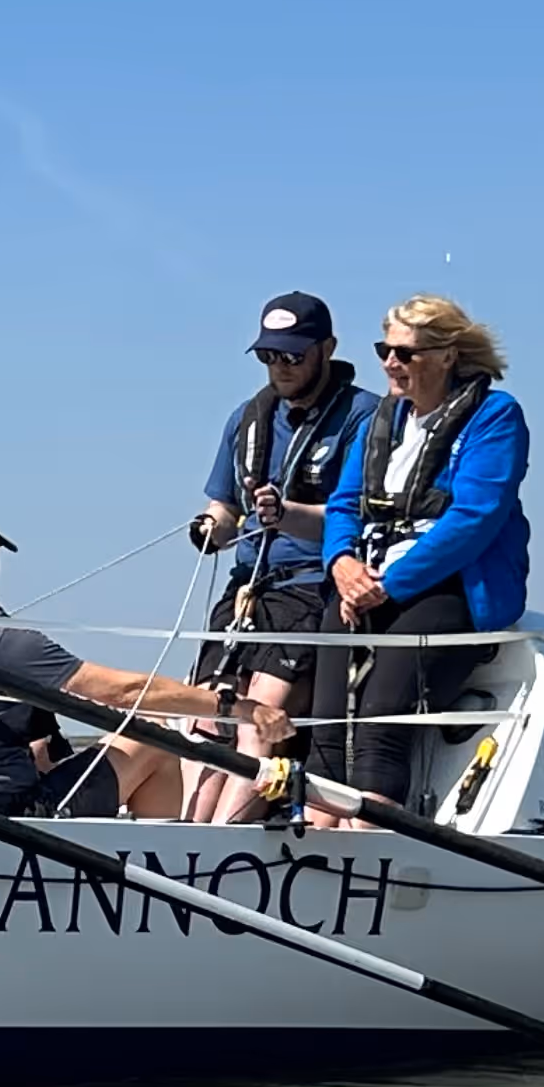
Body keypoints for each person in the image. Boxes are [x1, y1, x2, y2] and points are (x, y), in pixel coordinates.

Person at [0, 499, 224, 820]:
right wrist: (229, 708)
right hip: (7, 819)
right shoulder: (0, 638)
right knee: (155, 739)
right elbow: (124, 691)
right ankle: (163, 869)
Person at [316, 294, 531, 807]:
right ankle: (318, 846)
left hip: (446, 591)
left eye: (406, 353)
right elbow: (344, 503)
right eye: (384, 350)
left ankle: (370, 851)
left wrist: (389, 587)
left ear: (447, 356)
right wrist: (342, 564)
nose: (391, 363)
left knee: (380, 729)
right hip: (364, 585)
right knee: (324, 731)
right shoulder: (379, 423)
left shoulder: (495, 416)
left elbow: (475, 516)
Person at [181, 291, 362, 821]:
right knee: (203, 715)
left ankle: (221, 842)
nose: (279, 367)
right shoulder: (247, 419)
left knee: (263, 710)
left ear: (326, 348)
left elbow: (360, 517)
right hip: (248, 590)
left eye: (292, 355)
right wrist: (211, 528)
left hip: (311, 584)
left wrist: (288, 513)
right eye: (268, 356)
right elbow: (224, 507)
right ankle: (191, 835)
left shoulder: (364, 417)